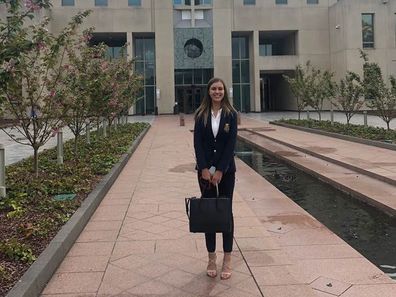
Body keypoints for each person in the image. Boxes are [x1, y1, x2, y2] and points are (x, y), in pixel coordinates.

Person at [193, 77, 238, 280]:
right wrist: (203, 168)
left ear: (224, 91)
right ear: (208, 91)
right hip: (204, 173)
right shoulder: (201, 114)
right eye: (214, 88)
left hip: (226, 172)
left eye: (220, 89)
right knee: (209, 213)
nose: (217, 92)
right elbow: (198, 144)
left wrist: (220, 170)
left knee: (226, 212)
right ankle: (212, 257)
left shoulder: (231, 114)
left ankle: (227, 258)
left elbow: (230, 145)